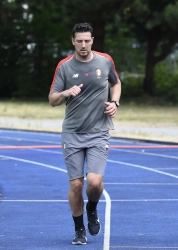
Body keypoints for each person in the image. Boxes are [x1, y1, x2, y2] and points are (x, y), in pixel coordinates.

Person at [48, 22, 121, 245]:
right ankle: (79, 229)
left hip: (99, 131)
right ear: (73, 42)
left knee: (95, 183)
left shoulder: (105, 60)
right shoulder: (65, 66)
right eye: (79, 41)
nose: (83, 44)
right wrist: (66, 92)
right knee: (76, 185)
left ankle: (92, 207)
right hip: (72, 133)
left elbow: (116, 84)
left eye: (87, 40)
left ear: (92, 41)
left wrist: (115, 102)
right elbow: (52, 100)